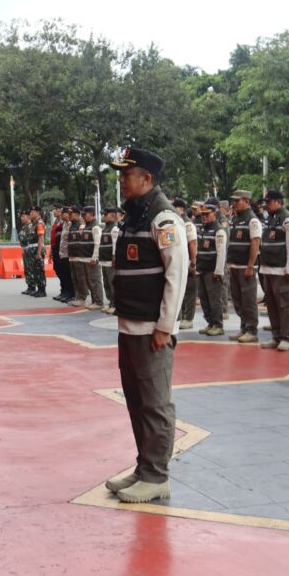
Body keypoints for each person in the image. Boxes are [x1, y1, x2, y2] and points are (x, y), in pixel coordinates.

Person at [102, 146, 186, 504]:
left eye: (127, 175)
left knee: (155, 404)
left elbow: (176, 275)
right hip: (130, 326)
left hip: (152, 329)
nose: (121, 181)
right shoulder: (135, 215)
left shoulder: (164, 220)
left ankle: (157, 476)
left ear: (147, 179)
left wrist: (164, 327)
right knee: (136, 401)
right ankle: (144, 467)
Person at [259, 190, 289, 351]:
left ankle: (285, 337)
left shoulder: (287, 219)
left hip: (282, 271)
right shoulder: (270, 219)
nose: (266, 206)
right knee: (272, 305)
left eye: (268, 202)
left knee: (284, 306)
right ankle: (276, 335)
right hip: (268, 269)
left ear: (278, 202)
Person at [225, 190, 262, 343]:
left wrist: (250, 266)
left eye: (237, 201)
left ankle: (252, 330)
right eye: (233, 201)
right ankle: (244, 327)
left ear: (246, 201)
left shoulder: (252, 220)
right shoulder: (235, 219)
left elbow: (255, 243)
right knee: (237, 299)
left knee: (248, 300)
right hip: (234, 266)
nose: (234, 203)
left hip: (245, 267)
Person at [194, 198, 227, 337]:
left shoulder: (218, 231)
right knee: (204, 299)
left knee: (214, 300)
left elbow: (221, 253)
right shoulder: (202, 229)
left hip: (212, 271)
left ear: (215, 214)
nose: (204, 216)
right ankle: (210, 323)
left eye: (207, 214)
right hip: (202, 269)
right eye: (203, 214)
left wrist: (218, 271)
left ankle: (218, 325)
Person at [174, 199, 199, 329]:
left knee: (189, 291)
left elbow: (193, 243)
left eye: (175, 207)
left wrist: (193, 263)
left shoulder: (187, 224)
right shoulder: (176, 222)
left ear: (182, 209)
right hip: (179, 262)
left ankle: (188, 318)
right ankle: (182, 315)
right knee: (180, 291)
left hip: (188, 261)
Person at [50, 205, 75, 303]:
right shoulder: (62, 224)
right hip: (59, 250)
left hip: (66, 252)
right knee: (61, 271)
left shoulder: (71, 224)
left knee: (67, 273)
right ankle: (64, 291)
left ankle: (70, 293)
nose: (55, 212)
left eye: (60, 211)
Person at [99, 207, 120, 314]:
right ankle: (110, 302)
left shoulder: (114, 229)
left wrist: (114, 258)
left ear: (112, 215)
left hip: (110, 261)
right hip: (104, 260)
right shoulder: (105, 228)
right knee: (106, 283)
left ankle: (115, 304)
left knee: (113, 284)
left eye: (105, 214)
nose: (103, 216)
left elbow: (116, 246)